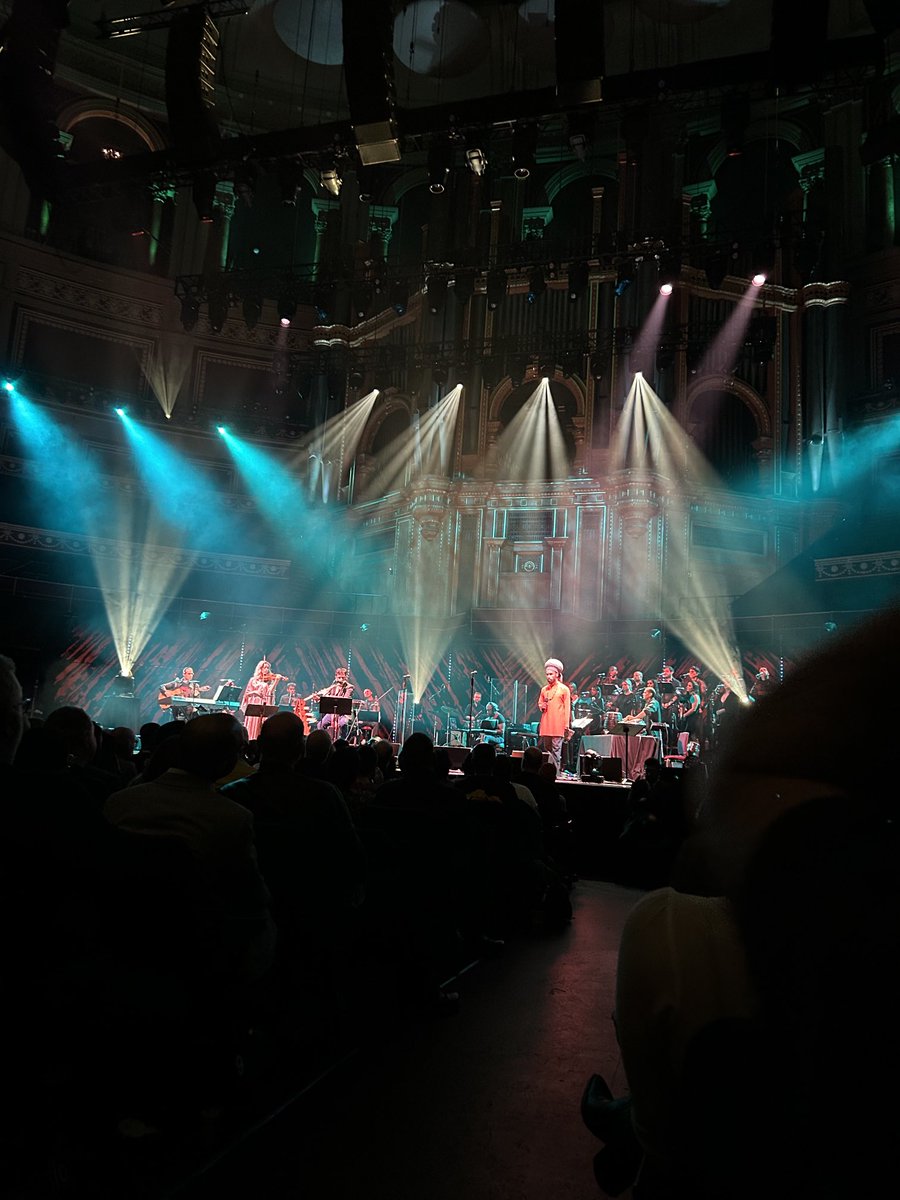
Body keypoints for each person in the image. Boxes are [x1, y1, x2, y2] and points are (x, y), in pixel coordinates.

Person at [538, 658, 571, 772]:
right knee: (547, 750)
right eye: (547, 674)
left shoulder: (564, 689)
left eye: (551, 674)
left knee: (556, 751)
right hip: (546, 723)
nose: (548, 676)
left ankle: (556, 774)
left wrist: (566, 725)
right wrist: (541, 706)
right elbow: (540, 702)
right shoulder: (544, 690)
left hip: (558, 724)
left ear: (557, 674)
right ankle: (547, 773)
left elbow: (567, 708)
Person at [240, 659, 286, 741]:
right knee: (253, 723)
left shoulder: (268, 681)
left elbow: (269, 692)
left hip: (264, 703)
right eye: (264, 667)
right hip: (254, 703)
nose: (266, 670)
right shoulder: (252, 680)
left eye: (268, 668)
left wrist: (276, 681)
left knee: (261, 724)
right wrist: (255, 692)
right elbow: (246, 694)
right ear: (260, 669)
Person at [317, 666, 354, 739]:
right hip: (332, 712)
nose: (340, 680)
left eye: (343, 678)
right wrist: (319, 698)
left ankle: (341, 742)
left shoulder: (349, 687)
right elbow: (328, 698)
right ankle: (325, 739)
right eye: (339, 677)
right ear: (335, 677)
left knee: (341, 724)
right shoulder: (333, 686)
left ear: (346, 678)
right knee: (320, 725)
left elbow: (344, 699)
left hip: (343, 714)